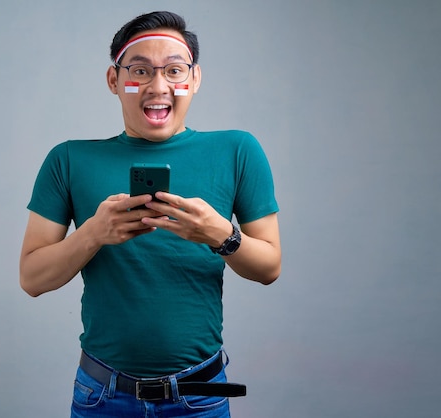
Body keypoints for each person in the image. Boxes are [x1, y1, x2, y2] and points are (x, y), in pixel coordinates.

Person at [20, 10, 281, 418]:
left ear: (194, 79)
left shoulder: (237, 151)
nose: (158, 86)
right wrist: (93, 234)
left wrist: (219, 235)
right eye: (139, 71)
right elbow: (32, 279)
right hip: (101, 396)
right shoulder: (68, 160)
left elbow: (269, 267)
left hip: (199, 396)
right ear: (114, 80)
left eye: (174, 70)